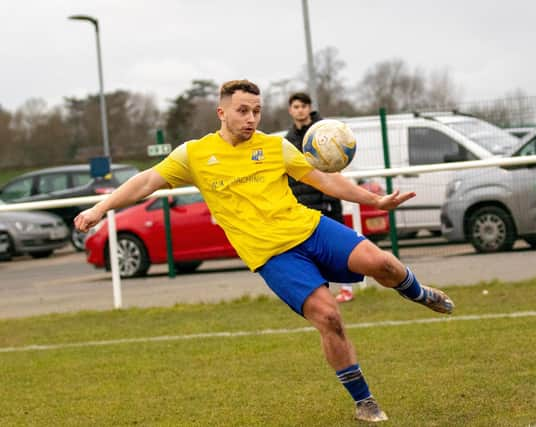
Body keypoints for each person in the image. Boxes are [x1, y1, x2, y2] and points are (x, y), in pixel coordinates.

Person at [74, 79, 454, 423]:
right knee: (329, 317)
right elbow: (145, 182)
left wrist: (376, 199)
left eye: (256, 111)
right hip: (274, 257)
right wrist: (99, 209)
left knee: (382, 263)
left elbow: (324, 179)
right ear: (221, 112)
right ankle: (364, 401)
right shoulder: (195, 154)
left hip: (309, 228)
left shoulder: (275, 147)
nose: (251, 118)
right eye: (242, 110)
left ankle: (421, 293)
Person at [285, 92, 354, 303]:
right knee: (311, 251)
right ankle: (321, 291)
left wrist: (329, 192)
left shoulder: (324, 130)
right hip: (302, 203)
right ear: (290, 110)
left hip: (327, 199)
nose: (300, 110)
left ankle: (347, 288)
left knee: (339, 246)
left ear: (309, 108)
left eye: (303, 106)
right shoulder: (288, 140)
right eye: (296, 106)